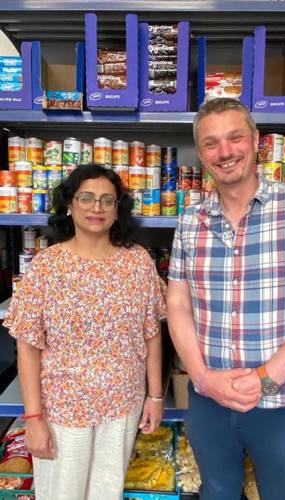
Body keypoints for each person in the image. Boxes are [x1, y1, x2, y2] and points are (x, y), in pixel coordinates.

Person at [166, 98, 285, 500]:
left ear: (256, 141)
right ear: (201, 153)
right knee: (217, 491)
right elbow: (177, 303)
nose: (225, 151)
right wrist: (202, 377)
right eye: (211, 143)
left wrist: (266, 378)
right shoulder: (190, 222)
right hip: (209, 401)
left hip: (282, 404)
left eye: (235, 138)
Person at [4, 164, 166, 500]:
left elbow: (152, 333)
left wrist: (155, 395)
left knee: (107, 493)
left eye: (108, 200)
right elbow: (28, 347)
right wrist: (33, 418)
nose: (97, 207)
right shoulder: (47, 266)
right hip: (63, 410)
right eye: (87, 198)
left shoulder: (137, 263)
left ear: (118, 210)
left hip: (123, 405)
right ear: (69, 204)